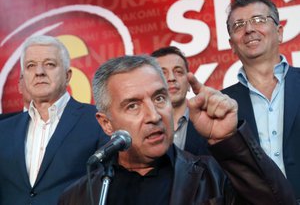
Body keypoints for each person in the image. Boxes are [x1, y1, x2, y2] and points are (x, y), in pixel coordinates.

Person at [58, 55, 296, 205]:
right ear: (106, 123)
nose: (154, 115)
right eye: (133, 105)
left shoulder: (213, 176)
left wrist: (229, 140)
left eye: (159, 98)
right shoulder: (78, 197)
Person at [0, 35, 109, 205]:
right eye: (31, 66)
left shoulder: (97, 120)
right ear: (24, 77)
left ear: (67, 75)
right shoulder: (3, 130)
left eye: (49, 64)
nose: (39, 72)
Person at [221, 0, 300, 201]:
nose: (249, 29)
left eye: (258, 20)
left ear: (279, 32)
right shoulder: (221, 106)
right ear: (232, 45)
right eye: (238, 25)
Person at [151, 46, 209, 155]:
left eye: (178, 72)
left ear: (188, 83)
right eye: (163, 73)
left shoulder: (210, 119)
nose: (171, 78)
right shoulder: (143, 126)